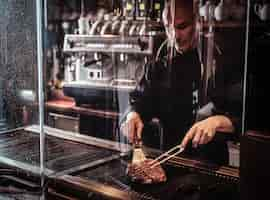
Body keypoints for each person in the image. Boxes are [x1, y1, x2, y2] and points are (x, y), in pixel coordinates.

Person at [121, 0, 241, 164]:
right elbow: (141, 100)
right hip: (170, 159)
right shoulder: (159, 65)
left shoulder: (220, 57)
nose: (175, 36)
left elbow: (244, 113)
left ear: (197, 22)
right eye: (169, 28)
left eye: (182, 27)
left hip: (210, 163)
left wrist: (219, 121)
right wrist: (133, 114)